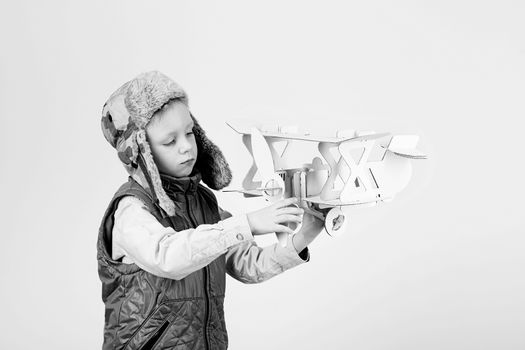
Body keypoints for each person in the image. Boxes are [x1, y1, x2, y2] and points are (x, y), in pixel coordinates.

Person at [97, 71, 324, 350]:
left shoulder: (204, 204)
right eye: (170, 141)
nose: (186, 147)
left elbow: (247, 265)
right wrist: (247, 224)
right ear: (140, 152)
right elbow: (168, 256)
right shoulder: (131, 210)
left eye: (190, 133)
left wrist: (306, 234)